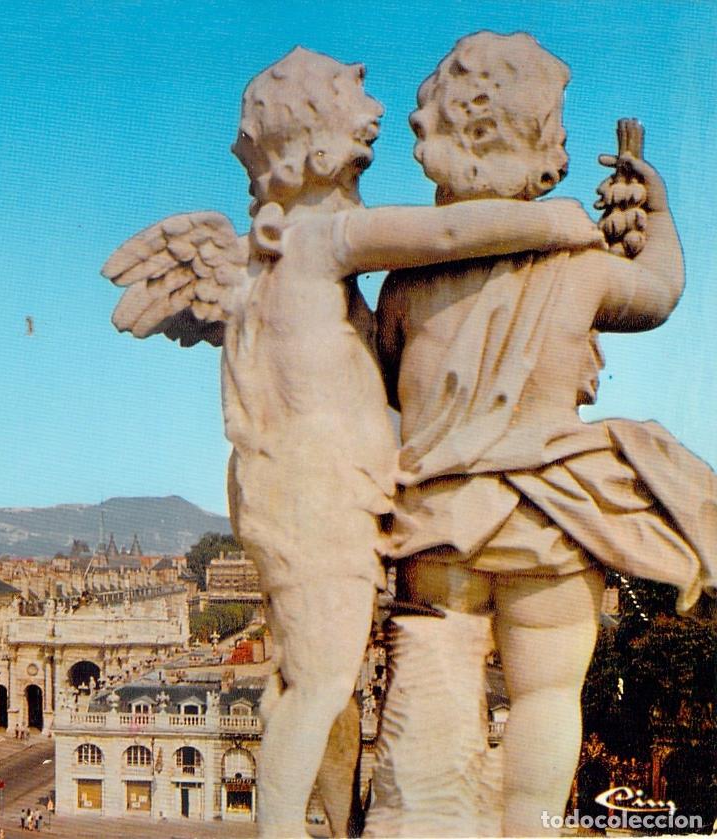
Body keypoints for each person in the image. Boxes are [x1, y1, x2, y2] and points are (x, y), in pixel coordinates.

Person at [104, 45, 602, 839]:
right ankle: (280, 829)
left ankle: (337, 821)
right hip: (319, 494)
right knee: (323, 678)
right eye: (351, 99)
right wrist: (553, 223)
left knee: (317, 679)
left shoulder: (283, 261)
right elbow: (444, 234)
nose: (386, 118)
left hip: (314, 489)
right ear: (323, 146)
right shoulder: (318, 242)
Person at [366, 31, 714, 838]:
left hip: (440, 522)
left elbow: (385, 381)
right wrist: (655, 215)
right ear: (549, 147)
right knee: (548, 695)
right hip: (553, 518)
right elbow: (660, 292)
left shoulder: (406, 281)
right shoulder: (582, 263)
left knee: (436, 686)